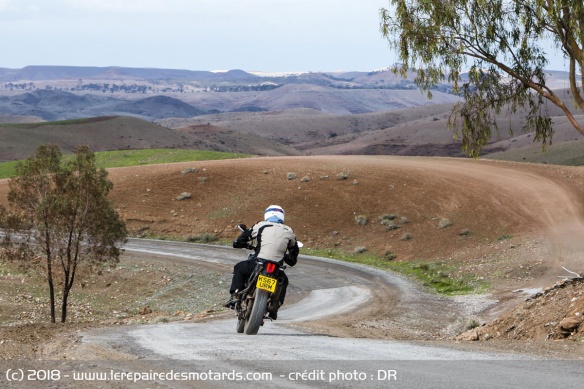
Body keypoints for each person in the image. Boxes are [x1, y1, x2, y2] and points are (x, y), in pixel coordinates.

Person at [225, 205, 299, 320]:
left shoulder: (260, 225)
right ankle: (275, 305)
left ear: (267, 215)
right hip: (276, 268)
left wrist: (240, 243)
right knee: (284, 280)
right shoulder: (289, 231)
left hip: (258, 263)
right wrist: (289, 259)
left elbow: (241, 240)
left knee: (239, 267)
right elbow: (294, 254)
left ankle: (235, 295)